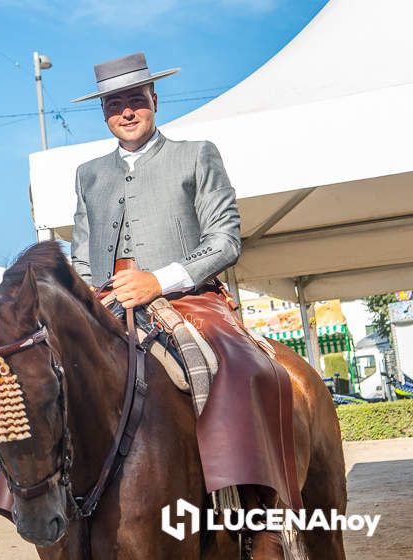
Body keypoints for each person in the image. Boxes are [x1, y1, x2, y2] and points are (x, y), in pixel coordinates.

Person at [70, 52, 301, 553]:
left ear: (155, 100)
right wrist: (88, 298)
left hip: (190, 296)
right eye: (115, 104)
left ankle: (256, 514)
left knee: (236, 367)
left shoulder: (197, 154)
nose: (126, 112)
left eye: (135, 100)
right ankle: (47, 503)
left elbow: (225, 240)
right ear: (104, 112)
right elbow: (84, 258)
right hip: (108, 302)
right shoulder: (88, 174)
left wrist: (160, 280)